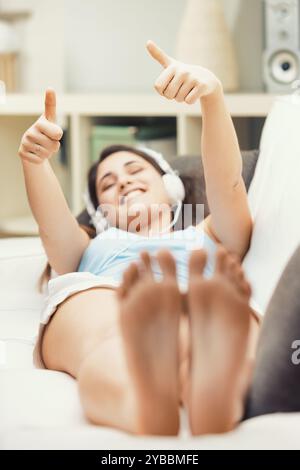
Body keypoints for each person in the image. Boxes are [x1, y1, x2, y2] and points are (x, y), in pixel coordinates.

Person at [18, 40, 259, 436]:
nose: (123, 182)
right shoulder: (88, 249)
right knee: (109, 334)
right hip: (108, 293)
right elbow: (51, 223)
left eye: (135, 170)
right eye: (107, 184)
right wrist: (34, 161)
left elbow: (227, 181)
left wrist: (212, 95)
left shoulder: (210, 232)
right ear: (99, 213)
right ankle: (143, 402)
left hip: (196, 289)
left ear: (172, 187)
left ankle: (215, 386)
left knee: (228, 317)